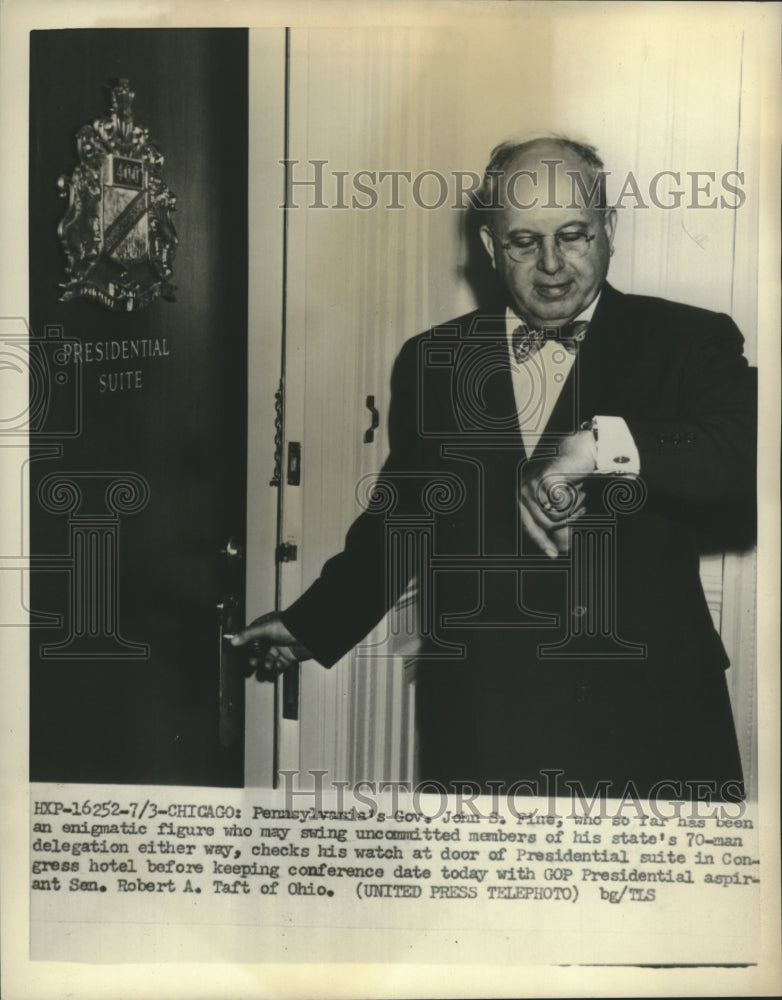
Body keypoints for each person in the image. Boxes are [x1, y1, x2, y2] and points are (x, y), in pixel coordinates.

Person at [233, 137, 756, 802]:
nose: (551, 266)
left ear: (610, 230)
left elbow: (749, 449)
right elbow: (404, 520)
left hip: (653, 730)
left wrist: (598, 447)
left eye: (573, 235)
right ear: (488, 246)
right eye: (522, 242)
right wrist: (312, 624)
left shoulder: (688, 342)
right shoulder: (435, 360)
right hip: (488, 730)